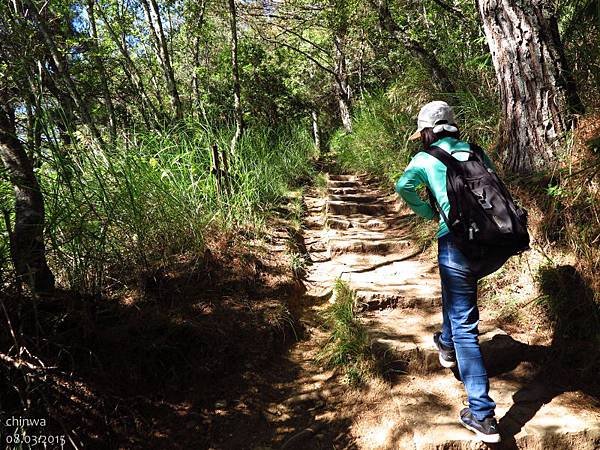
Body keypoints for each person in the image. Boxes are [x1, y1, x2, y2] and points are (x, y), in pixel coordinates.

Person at [395, 101, 501, 444]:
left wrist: (429, 212)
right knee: (458, 305)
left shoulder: (424, 159)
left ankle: (482, 416)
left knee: (465, 326)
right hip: (491, 246)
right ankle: (445, 341)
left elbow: (402, 187)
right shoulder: (476, 152)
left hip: (456, 245)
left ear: (427, 131)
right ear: (452, 126)